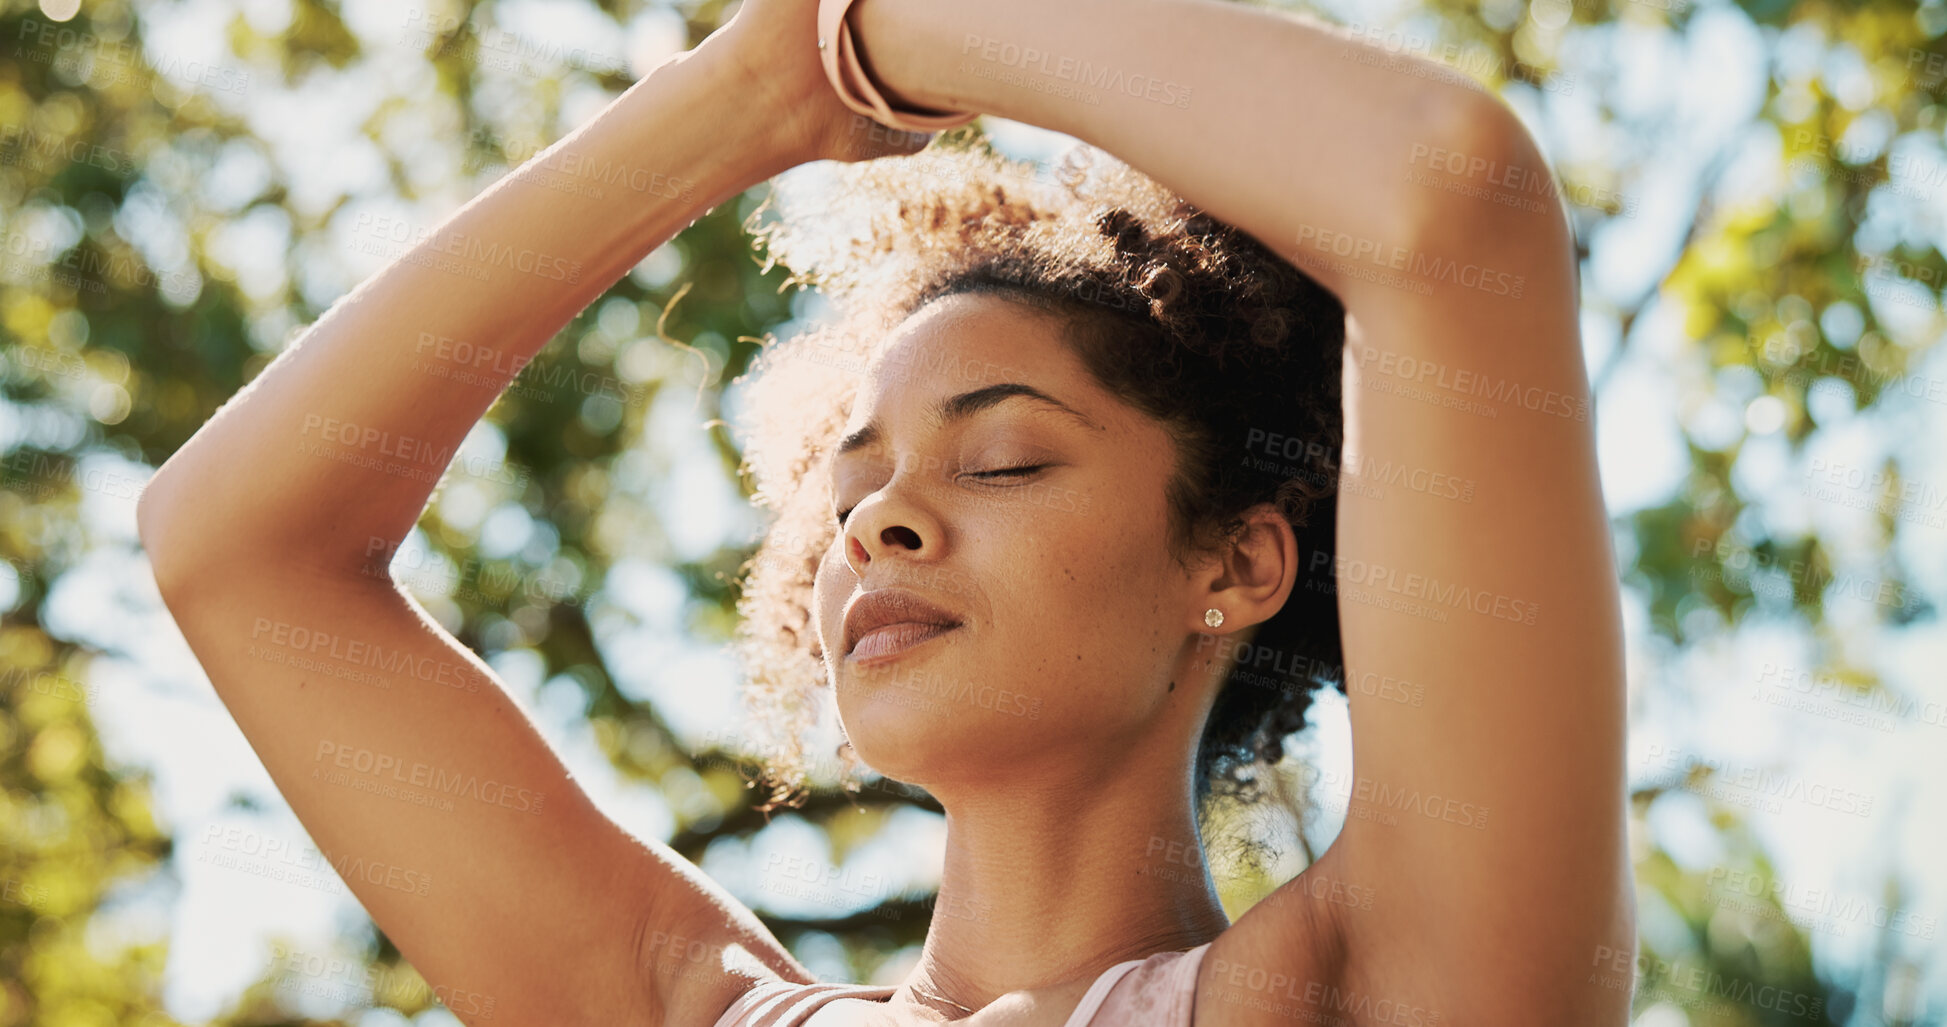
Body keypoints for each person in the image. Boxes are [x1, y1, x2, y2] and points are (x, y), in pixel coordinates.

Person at [137, 0, 1635, 1023]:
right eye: (848, 491)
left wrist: (874, 35)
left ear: (1237, 561)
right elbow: (234, 548)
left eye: (1003, 461)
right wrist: (747, 91)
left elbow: (1451, 202)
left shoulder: (1362, 995)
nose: (877, 527)